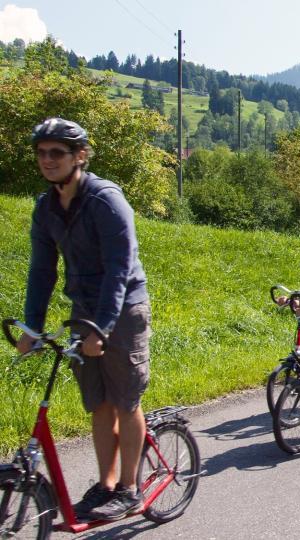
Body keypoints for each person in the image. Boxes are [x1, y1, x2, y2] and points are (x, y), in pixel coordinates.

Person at [17, 118, 151, 521]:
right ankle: (106, 484)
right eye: (41, 153)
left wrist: (104, 327)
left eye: (56, 152)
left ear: (80, 156)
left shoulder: (106, 200)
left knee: (126, 401)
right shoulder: (46, 208)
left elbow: (119, 269)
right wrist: (31, 327)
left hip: (123, 309)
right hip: (83, 311)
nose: (47, 160)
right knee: (98, 403)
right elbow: (42, 271)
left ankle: (130, 488)